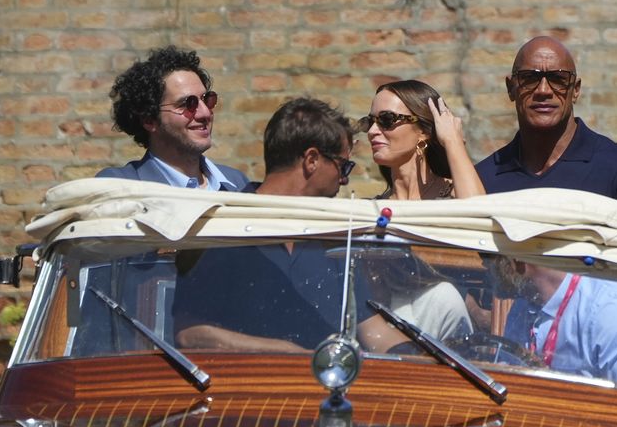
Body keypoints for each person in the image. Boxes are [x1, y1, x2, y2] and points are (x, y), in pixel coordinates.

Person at [169, 98, 357, 351]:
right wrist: (288, 353)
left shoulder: (334, 235)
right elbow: (190, 333)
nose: (344, 180)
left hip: (332, 384)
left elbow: (372, 327)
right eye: (343, 166)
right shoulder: (222, 226)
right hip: (247, 384)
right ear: (311, 159)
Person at [474, 36, 617, 223]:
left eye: (558, 79)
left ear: (576, 90)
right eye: (529, 78)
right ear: (511, 88)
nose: (543, 91)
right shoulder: (483, 178)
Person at [493, 257, 617, 392]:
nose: (486, 266)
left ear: (515, 259)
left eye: (487, 255)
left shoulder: (610, 308)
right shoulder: (522, 307)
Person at [98, 46, 251, 191]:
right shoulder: (119, 187)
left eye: (207, 99)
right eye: (187, 104)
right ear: (149, 120)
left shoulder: (237, 183)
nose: (205, 113)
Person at [364, 79, 485, 201]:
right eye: (370, 122)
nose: (371, 131)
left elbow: (478, 210)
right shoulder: (368, 211)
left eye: (387, 119)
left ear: (424, 131)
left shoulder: (456, 195)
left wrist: (452, 141)